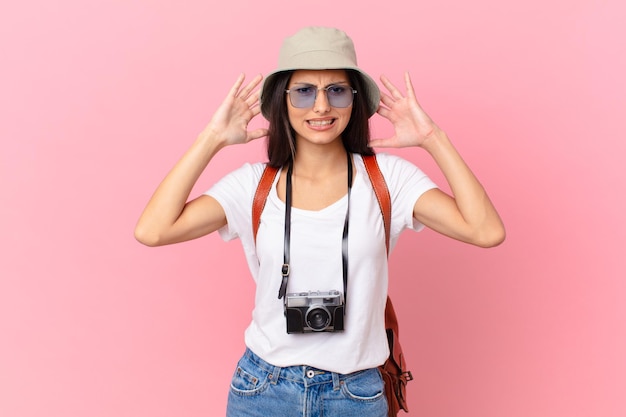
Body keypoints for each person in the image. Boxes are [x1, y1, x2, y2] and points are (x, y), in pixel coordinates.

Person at [135, 26, 505, 417]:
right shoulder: (253, 186)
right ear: (283, 99)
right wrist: (211, 138)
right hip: (264, 388)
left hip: (356, 393)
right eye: (305, 90)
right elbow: (153, 230)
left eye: (337, 90)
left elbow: (486, 231)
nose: (321, 106)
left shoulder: (388, 180)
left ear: (355, 101)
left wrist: (433, 137)